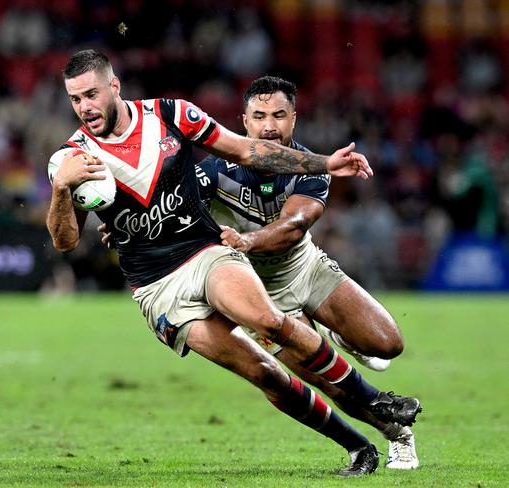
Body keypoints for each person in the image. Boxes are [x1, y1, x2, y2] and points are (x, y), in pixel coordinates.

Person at [46, 48, 422, 477]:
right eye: (75, 99)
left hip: (206, 254)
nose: (85, 107)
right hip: (156, 287)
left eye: (91, 94)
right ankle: (358, 447)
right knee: (263, 372)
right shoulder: (72, 159)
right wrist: (61, 190)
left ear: (114, 85)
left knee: (270, 321)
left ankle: (372, 398)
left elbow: (247, 152)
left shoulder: (172, 116)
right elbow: (64, 242)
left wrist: (325, 163)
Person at [194, 76, 419, 469]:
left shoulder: (312, 167)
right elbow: (172, 210)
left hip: (306, 267)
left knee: (388, 344)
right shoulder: (212, 172)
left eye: (279, 115)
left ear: (294, 119)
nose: (269, 126)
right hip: (259, 297)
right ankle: (398, 434)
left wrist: (247, 241)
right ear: (242, 122)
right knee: (329, 380)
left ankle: (334, 330)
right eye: (259, 116)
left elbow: (294, 225)